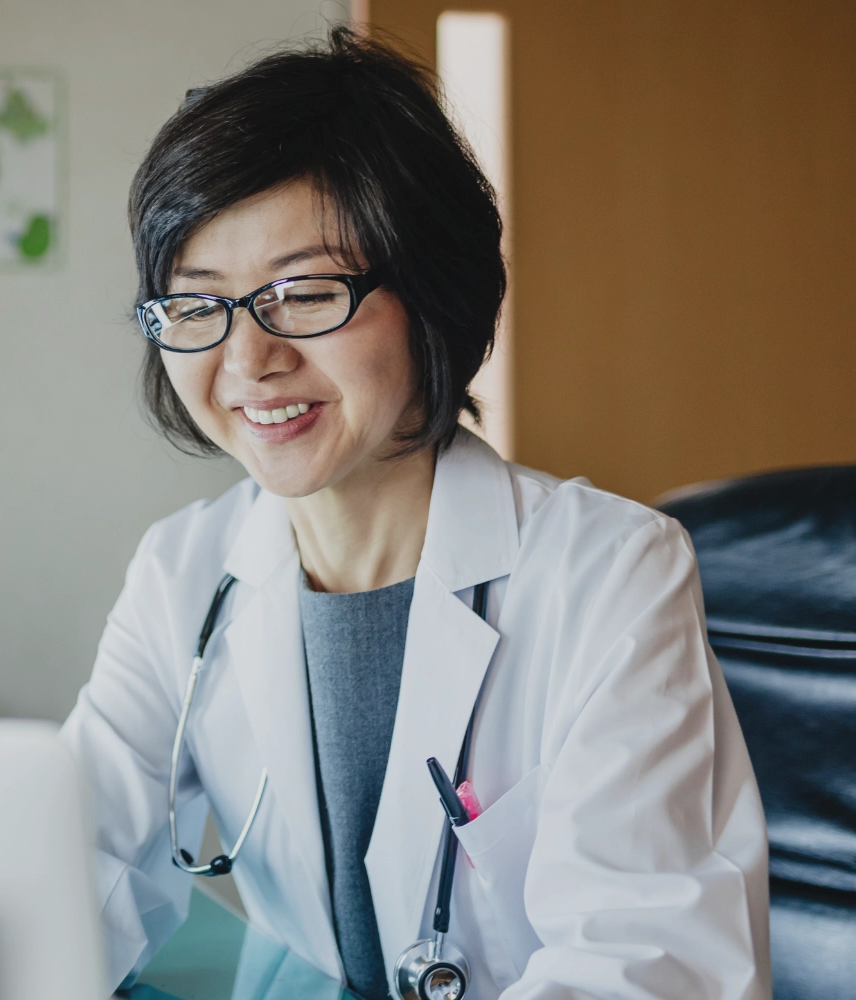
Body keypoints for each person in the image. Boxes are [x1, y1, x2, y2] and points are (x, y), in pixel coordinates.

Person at [61, 28, 769, 1000]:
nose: (247, 360)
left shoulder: (608, 569)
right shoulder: (182, 569)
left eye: (302, 293)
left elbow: (646, 965)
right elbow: (67, 876)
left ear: (430, 292)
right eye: (197, 305)